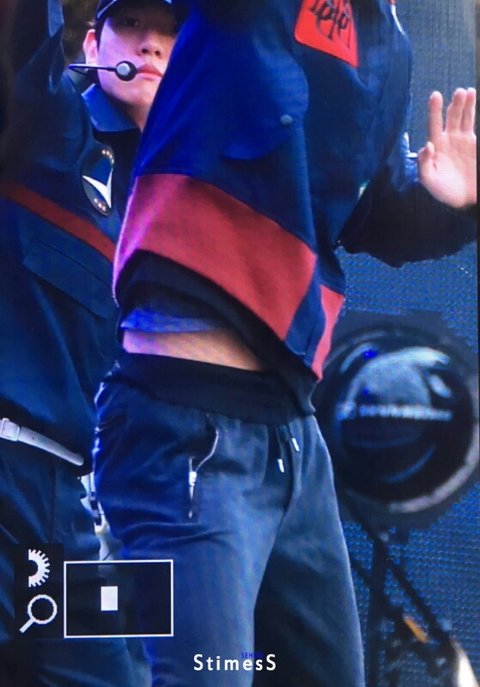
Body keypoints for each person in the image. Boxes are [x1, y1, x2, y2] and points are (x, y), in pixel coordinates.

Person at [93, 1, 477, 686]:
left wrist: (449, 207)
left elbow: (367, 212)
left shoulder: (386, 37)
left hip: (293, 437)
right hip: (187, 424)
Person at [0, 0, 179, 684]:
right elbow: (22, 42)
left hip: (80, 516)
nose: (152, 44)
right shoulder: (48, 121)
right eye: (131, 24)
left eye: (172, 33)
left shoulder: (190, 197)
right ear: (94, 44)